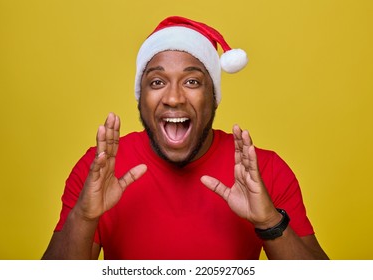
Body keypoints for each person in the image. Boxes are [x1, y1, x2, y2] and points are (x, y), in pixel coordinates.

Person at [42, 16, 328, 260]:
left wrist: (269, 221)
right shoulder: (100, 170)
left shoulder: (263, 170)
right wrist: (84, 217)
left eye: (192, 82)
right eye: (157, 82)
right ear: (140, 99)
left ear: (213, 97)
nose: (174, 98)